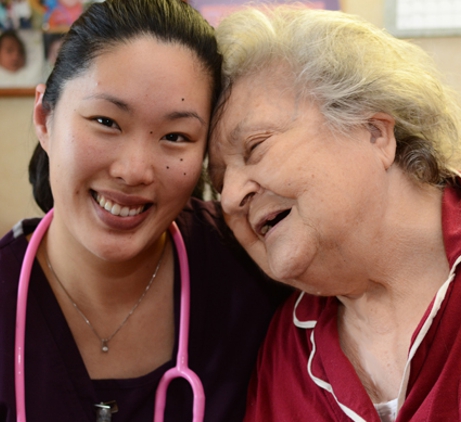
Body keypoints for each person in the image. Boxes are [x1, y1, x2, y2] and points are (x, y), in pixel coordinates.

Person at [0, 0, 288, 421]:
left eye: (175, 136)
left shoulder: (252, 270)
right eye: (106, 122)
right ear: (45, 118)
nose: (134, 171)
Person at [209, 6, 461, 422]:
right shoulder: (285, 349)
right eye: (219, 180)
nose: (229, 198)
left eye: (256, 146)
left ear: (374, 132)